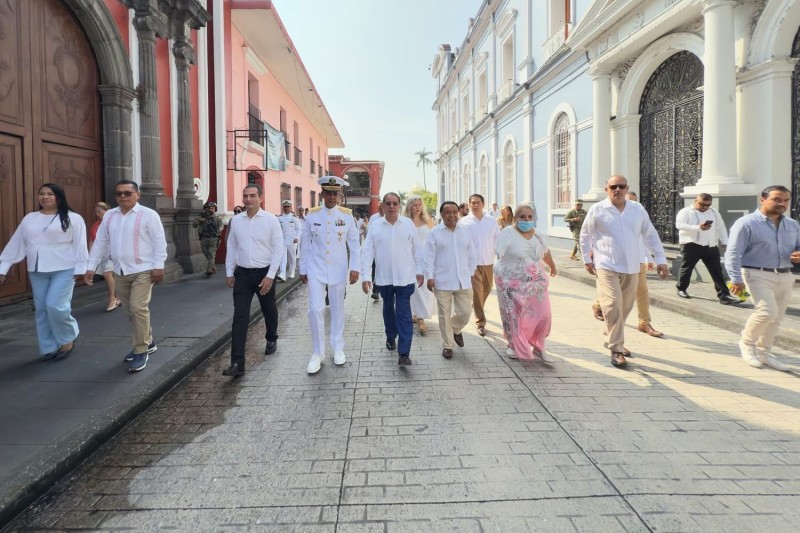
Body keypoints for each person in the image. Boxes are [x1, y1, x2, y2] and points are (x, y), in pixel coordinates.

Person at [579, 176, 669, 368]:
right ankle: (617, 348)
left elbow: (650, 234)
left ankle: (610, 335)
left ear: (627, 188)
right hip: (606, 264)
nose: (617, 189)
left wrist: (660, 259)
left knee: (625, 306)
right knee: (612, 304)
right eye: (613, 186)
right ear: (607, 189)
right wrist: (586, 259)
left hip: (632, 265)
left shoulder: (637, 209)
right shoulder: (598, 209)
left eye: (621, 186)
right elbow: (585, 234)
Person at [85, 180, 167, 373]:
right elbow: (101, 242)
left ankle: (141, 350)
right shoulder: (110, 216)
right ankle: (149, 341)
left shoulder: (148, 215)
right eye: (119, 193)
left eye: (127, 193)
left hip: (144, 270)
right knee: (131, 311)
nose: (123, 196)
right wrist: (90, 266)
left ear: (137, 194)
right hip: (119, 270)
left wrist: (158, 266)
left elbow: (159, 242)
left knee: (138, 308)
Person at [0, 183, 88, 360]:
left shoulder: (73, 218)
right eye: (42, 193)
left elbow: (80, 244)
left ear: (58, 197)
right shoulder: (30, 218)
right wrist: (4, 267)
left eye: (50, 194)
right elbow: (17, 242)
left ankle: (68, 337)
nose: (45, 197)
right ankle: (49, 346)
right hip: (37, 269)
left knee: (55, 306)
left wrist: (82, 268)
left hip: (64, 268)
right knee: (41, 309)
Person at [725, 185, 800, 370]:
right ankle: (747, 344)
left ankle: (764, 352)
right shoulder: (746, 223)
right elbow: (733, 252)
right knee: (767, 312)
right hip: (756, 273)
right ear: (763, 199)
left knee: (777, 317)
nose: (782, 204)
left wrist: (797, 254)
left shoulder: (792, 224)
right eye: (776, 199)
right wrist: (736, 279)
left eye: (785, 200)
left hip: (785, 274)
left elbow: (798, 247)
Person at [300, 176, 361, 374]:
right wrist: (302, 269)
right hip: (315, 269)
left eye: (335, 193)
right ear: (322, 194)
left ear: (339, 195)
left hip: (338, 269)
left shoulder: (347, 217)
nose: (332, 196)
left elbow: (354, 245)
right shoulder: (312, 216)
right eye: (328, 192)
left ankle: (338, 348)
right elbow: (305, 244)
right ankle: (317, 353)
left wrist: (355, 267)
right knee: (315, 309)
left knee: (337, 309)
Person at [221, 184, 283, 377]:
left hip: (264, 273)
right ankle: (237, 363)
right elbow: (231, 246)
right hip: (243, 275)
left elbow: (278, 249)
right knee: (239, 317)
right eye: (245, 196)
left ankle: (271, 337)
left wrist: (270, 276)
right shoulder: (236, 221)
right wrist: (229, 272)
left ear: (260, 198)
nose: (248, 199)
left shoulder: (271, 220)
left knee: (268, 308)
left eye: (252, 196)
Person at [361, 193, 423, 366]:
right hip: (384, 278)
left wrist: (420, 271)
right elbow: (367, 252)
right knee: (388, 309)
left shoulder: (408, 224)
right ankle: (390, 335)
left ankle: (404, 353)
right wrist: (366, 276)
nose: (391, 206)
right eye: (388, 203)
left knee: (403, 313)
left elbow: (418, 250)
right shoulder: (375, 226)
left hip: (405, 278)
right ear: (382, 206)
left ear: (399, 205)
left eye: (395, 203)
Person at [495, 204, 557, 362]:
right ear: (515, 218)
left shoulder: (538, 235)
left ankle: (539, 344)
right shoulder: (507, 233)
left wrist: (552, 265)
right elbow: (499, 255)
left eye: (530, 216)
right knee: (514, 315)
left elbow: (545, 253)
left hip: (536, 283)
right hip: (511, 283)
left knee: (543, 314)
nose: (526, 220)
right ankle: (513, 345)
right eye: (522, 217)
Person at [425, 201, 477, 359]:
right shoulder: (434, 233)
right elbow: (428, 257)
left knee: (465, 312)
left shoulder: (465, 231)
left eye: (454, 212)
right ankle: (447, 345)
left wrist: (471, 273)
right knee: (444, 315)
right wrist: (429, 277)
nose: (452, 215)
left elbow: (472, 254)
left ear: (458, 213)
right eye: (448, 212)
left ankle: (455, 329)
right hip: (442, 280)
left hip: (463, 280)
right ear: (441, 214)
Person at [676, 193, 740, 304]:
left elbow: (720, 226)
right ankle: (681, 289)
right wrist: (698, 228)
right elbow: (679, 225)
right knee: (687, 268)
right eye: (702, 204)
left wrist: (725, 241)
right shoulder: (686, 212)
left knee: (717, 271)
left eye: (708, 205)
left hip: (710, 246)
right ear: (696, 201)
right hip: (691, 245)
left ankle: (724, 295)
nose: (705, 207)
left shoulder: (714, 212)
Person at [459, 193, 500, 337]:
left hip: (488, 261)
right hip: (472, 263)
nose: (475, 205)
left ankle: (476, 306)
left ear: (483, 204)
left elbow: (498, 239)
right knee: (477, 292)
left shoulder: (492, 221)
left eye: (478, 202)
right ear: (469, 205)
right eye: (473, 203)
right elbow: (460, 242)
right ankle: (480, 323)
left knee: (486, 289)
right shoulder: (464, 222)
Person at [404, 195, 436, 335]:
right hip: (409, 259)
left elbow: (433, 241)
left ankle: (421, 317)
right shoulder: (405, 222)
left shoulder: (428, 222)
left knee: (424, 289)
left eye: (419, 205)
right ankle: (415, 314)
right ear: (409, 207)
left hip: (425, 259)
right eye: (414, 205)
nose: (417, 207)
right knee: (413, 288)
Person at [89, 202, 120, 312]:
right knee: (113, 275)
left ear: (106, 211)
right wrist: (91, 257)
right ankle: (118, 297)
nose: (97, 214)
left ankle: (112, 298)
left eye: (99, 212)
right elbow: (92, 240)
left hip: (113, 253)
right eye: (96, 212)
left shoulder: (114, 223)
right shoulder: (96, 225)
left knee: (107, 274)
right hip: (102, 255)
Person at [193, 201, 223, 277]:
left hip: (213, 238)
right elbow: (194, 225)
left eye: (213, 208)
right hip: (204, 237)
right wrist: (199, 220)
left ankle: (209, 270)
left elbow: (221, 226)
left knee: (211, 253)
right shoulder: (201, 217)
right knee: (205, 252)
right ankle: (212, 266)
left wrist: (219, 230)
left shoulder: (217, 218)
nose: (212, 210)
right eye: (210, 208)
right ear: (206, 209)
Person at [277, 199, 301, 280]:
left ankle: (292, 271)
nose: (286, 208)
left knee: (292, 257)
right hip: (283, 241)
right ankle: (282, 274)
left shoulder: (294, 218)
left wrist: (296, 237)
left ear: (291, 208)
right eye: (285, 207)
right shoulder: (280, 218)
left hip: (292, 240)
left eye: (288, 206)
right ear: (283, 208)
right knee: (282, 257)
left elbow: (298, 228)